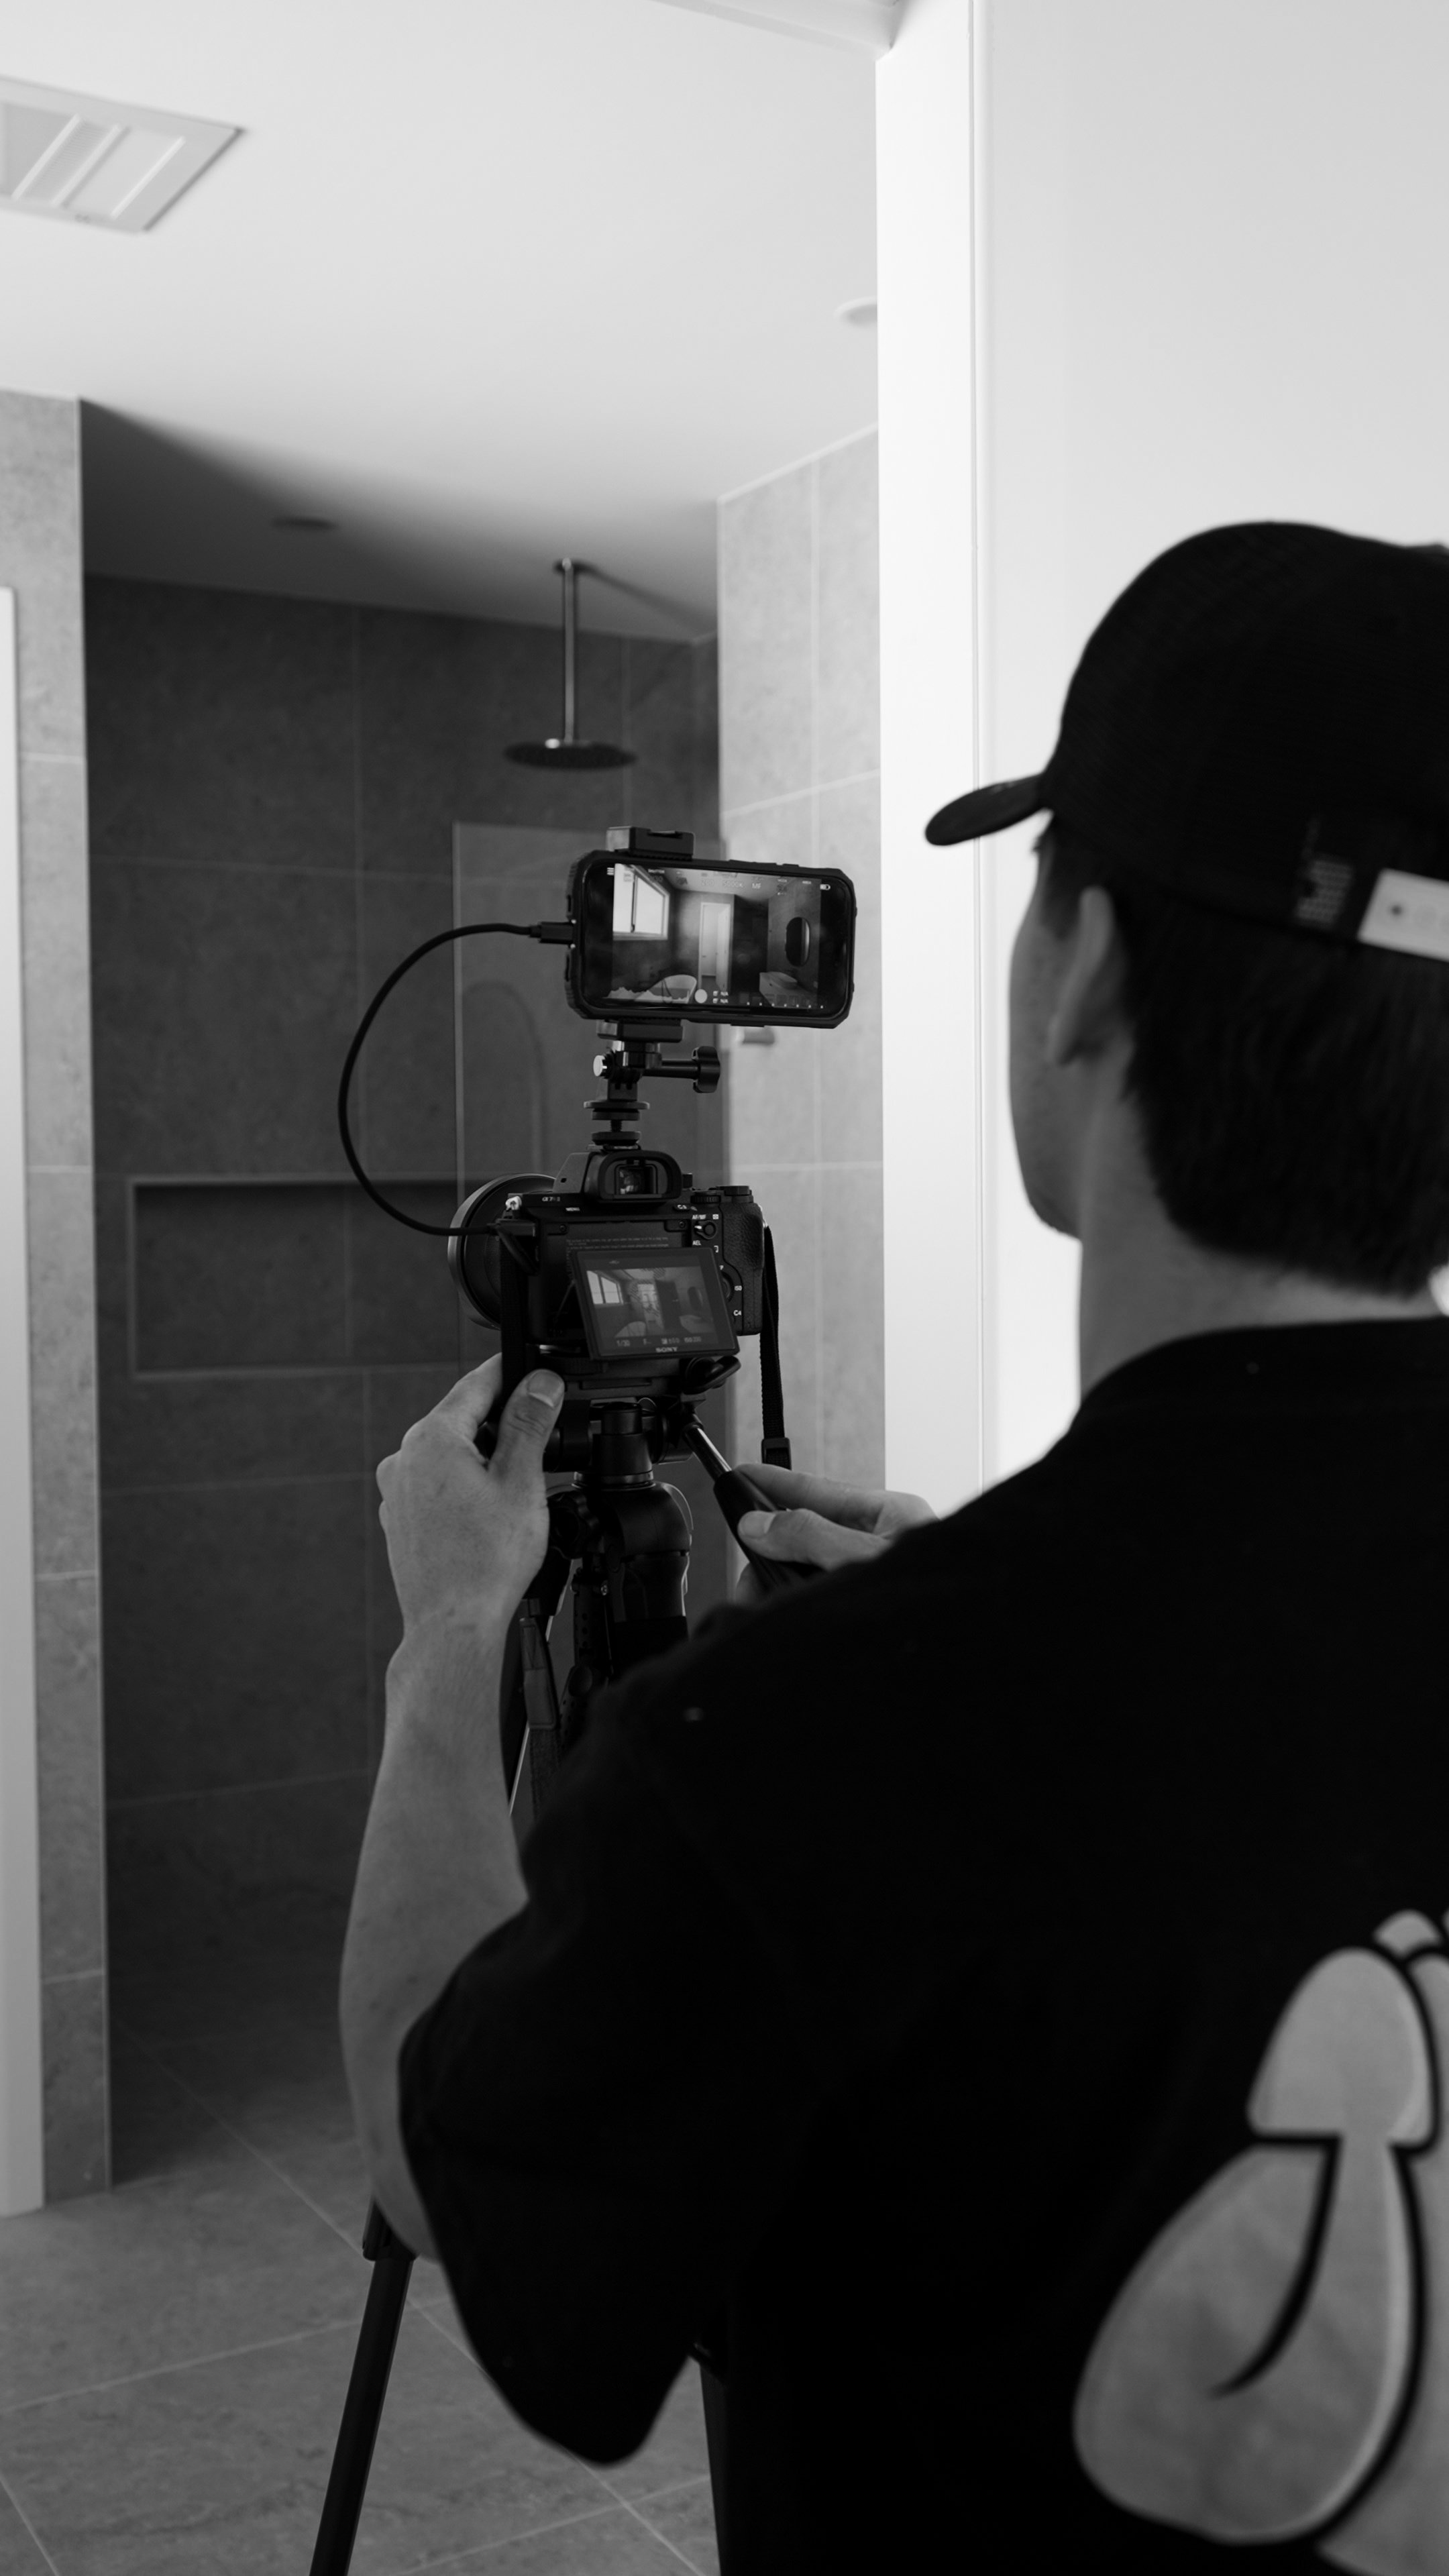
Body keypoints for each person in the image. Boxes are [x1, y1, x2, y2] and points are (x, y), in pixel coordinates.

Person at [341, 521, 1449, 2571]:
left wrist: (447, 1649)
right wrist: (957, 1615)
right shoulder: (860, 1725)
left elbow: (452, 2166)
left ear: (1086, 973)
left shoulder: (802, 1753)